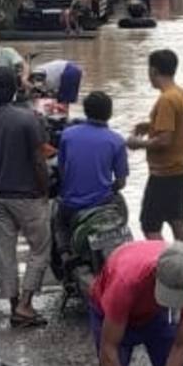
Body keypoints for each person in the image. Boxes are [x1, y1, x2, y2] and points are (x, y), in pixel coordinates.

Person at [0, 66, 51, 328]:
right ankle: (26, 305)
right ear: (15, 90)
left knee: (6, 253)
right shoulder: (28, 119)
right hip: (27, 196)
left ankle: (15, 306)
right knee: (40, 248)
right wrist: (44, 189)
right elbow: (39, 160)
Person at [127, 49, 183, 247]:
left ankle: (164, 261)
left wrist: (138, 143)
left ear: (153, 70)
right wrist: (151, 126)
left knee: (149, 223)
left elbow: (165, 140)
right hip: (182, 168)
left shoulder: (166, 100)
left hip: (164, 172)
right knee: (177, 220)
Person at [57, 91, 128, 251]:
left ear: (86, 111)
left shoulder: (68, 135)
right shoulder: (116, 141)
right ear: (109, 113)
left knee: (58, 225)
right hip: (103, 203)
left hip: (71, 205)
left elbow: (63, 172)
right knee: (121, 215)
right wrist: (109, 187)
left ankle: (64, 251)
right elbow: (121, 182)